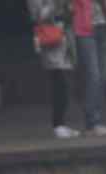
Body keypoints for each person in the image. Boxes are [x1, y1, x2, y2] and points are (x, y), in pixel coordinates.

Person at [27, 0, 81, 139]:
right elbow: (38, 15)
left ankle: (62, 122)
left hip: (64, 34)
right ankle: (58, 124)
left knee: (66, 81)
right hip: (49, 35)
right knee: (59, 80)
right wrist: (55, 4)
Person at [73, 0, 106, 136]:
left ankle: (96, 120)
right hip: (85, 29)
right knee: (94, 75)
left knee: (102, 76)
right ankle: (91, 123)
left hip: (103, 26)